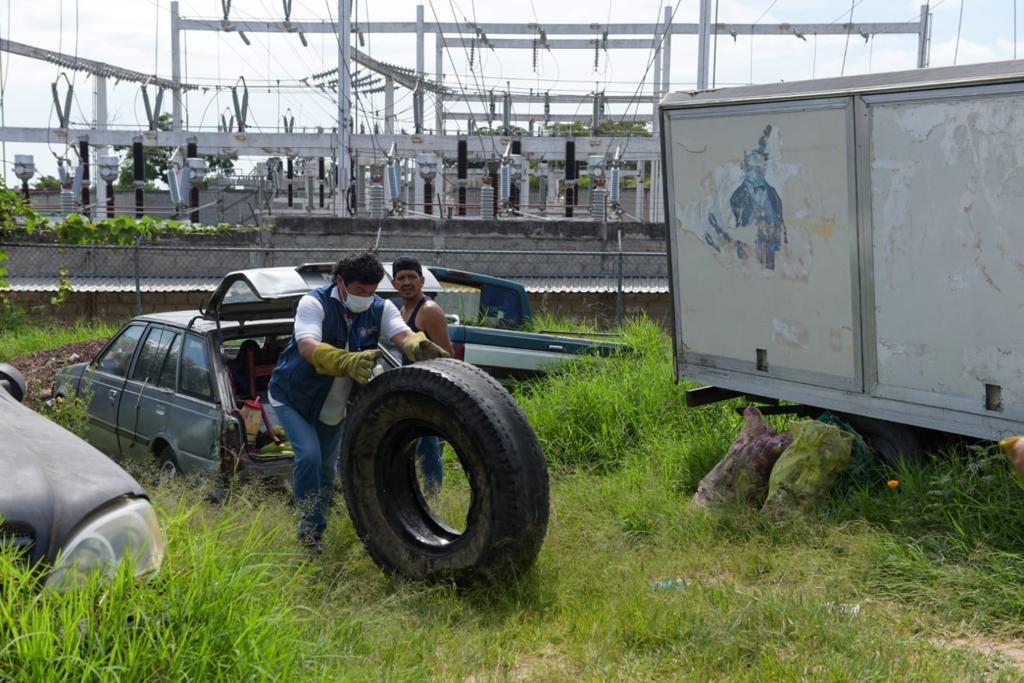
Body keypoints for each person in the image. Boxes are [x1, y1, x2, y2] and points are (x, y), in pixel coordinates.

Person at [268, 252, 449, 553]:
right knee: (310, 457)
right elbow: (307, 345)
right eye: (360, 290)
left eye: (372, 290)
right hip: (294, 398)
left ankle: (317, 524)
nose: (367, 296)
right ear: (340, 281)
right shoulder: (313, 303)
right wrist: (345, 360)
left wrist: (419, 346)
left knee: (327, 469)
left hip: (333, 404)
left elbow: (403, 335)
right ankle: (308, 534)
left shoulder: (380, 308)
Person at [392, 257, 455, 496]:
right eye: (401, 278)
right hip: (414, 389)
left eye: (412, 277)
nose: (407, 282)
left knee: (429, 448)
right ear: (394, 283)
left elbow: (446, 355)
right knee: (419, 447)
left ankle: (434, 500)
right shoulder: (402, 310)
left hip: (432, 390)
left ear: (422, 280)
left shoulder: (428, 311)